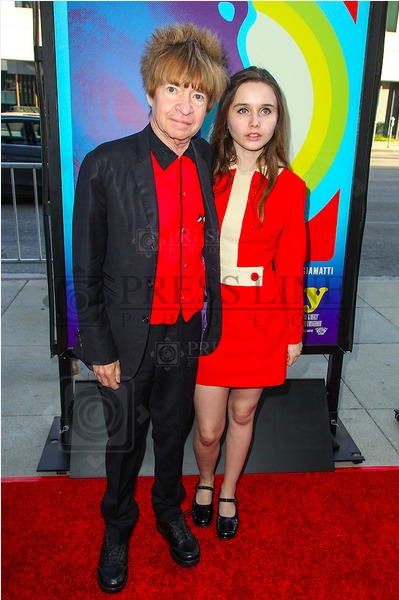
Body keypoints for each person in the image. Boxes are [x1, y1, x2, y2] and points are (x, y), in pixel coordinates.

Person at [72, 23, 228, 593]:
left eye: (198, 95)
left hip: (185, 332)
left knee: (173, 432)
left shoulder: (211, 162)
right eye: (173, 90)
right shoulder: (106, 164)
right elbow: (85, 267)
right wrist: (98, 347)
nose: (185, 107)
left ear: (208, 104)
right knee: (122, 442)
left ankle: (168, 511)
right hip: (126, 335)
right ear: (149, 92)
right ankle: (117, 529)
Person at [191, 67, 306, 540]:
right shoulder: (201, 173)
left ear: (278, 119)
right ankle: (202, 481)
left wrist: (294, 332)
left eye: (266, 110)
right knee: (209, 429)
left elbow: (291, 266)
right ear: (227, 118)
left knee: (244, 414)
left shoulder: (290, 186)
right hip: (210, 318)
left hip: (262, 319)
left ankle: (229, 490)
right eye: (243, 109)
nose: (254, 121)